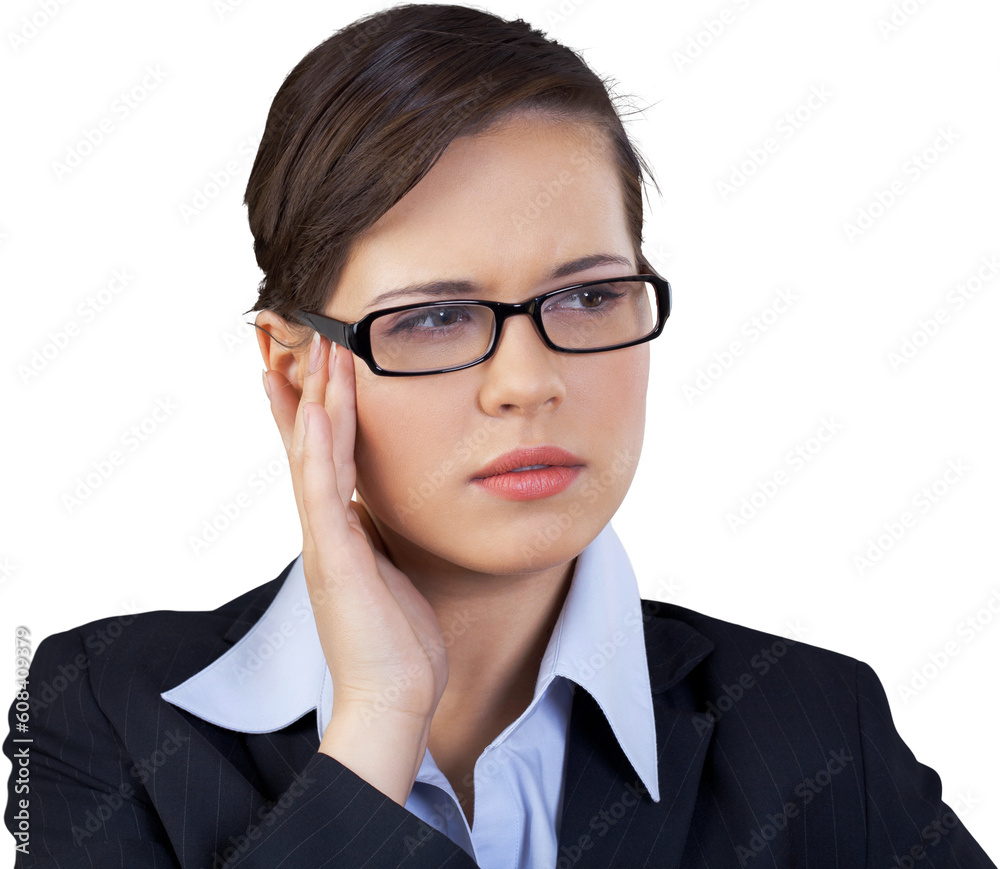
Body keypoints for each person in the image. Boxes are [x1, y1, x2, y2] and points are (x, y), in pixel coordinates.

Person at [3, 4, 996, 868]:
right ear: (294, 365)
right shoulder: (106, 707)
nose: (531, 380)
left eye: (589, 294)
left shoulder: (814, 721)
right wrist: (377, 721)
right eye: (434, 315)